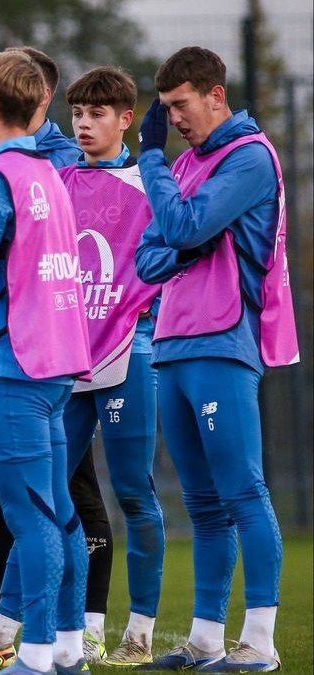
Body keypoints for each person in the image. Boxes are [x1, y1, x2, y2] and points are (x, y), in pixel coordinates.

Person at [0, 46, 113, 671]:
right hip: (59, 365)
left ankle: (33, 656)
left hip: (15, 366)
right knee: (58, 513)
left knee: (31, 518)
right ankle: (67, 649)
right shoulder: (50, 171)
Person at [135, 46, 297, 673]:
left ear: (216, 96)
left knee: (242, 491)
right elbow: (151, 255)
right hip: (173, 343)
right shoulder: (187, 166)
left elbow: (178, 228)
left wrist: (151, 163)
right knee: (202, 505)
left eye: (180, 105)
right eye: (166, 108)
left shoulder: (249, 157)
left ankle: (260, 643)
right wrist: (186, 242)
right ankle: (205, 641)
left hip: (224, 340)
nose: (173, 119)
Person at [57, 66, 165, 668]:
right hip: (68, 360)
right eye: (77, 114)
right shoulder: (58, 182)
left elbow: (176, 258)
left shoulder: (152, 183)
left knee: (133, 492)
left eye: (96, 114)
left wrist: (149, 315)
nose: (83, 124)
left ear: (126, 119)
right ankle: (77, 630)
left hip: (130, 354)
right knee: (50, 494)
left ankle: (139, 633)